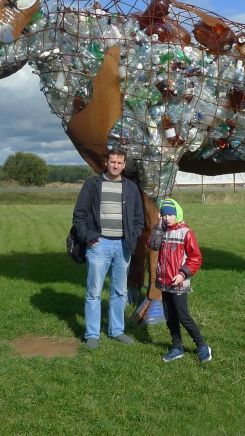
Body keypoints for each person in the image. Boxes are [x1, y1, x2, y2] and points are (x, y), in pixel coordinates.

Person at [73, 148, 144, 349]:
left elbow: (139, 218)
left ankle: (116, 330)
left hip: (123, 246)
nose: (115, 166)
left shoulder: (131, 188)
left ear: (124, 165)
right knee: (94, 292)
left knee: (119, 291)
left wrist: (133, 235)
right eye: (112, 162)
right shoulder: (92, 185)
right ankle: (92, 334)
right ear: (106, 163)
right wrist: (88, 236)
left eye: (119, 163)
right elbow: (79, 216)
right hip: (99, 245)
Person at [149, 197, 212, 363]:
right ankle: (177, 347)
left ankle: (202, 346)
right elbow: (153, 246)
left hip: (179, 283)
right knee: (170, 317)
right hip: (164, 283)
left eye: (170, 214)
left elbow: (195, 258)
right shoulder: (162, 231)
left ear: (177, 214)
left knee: (183, 316)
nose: (167, 218)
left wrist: (182, 274)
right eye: (164, 214)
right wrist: (158, 227)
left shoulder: (185, 232)